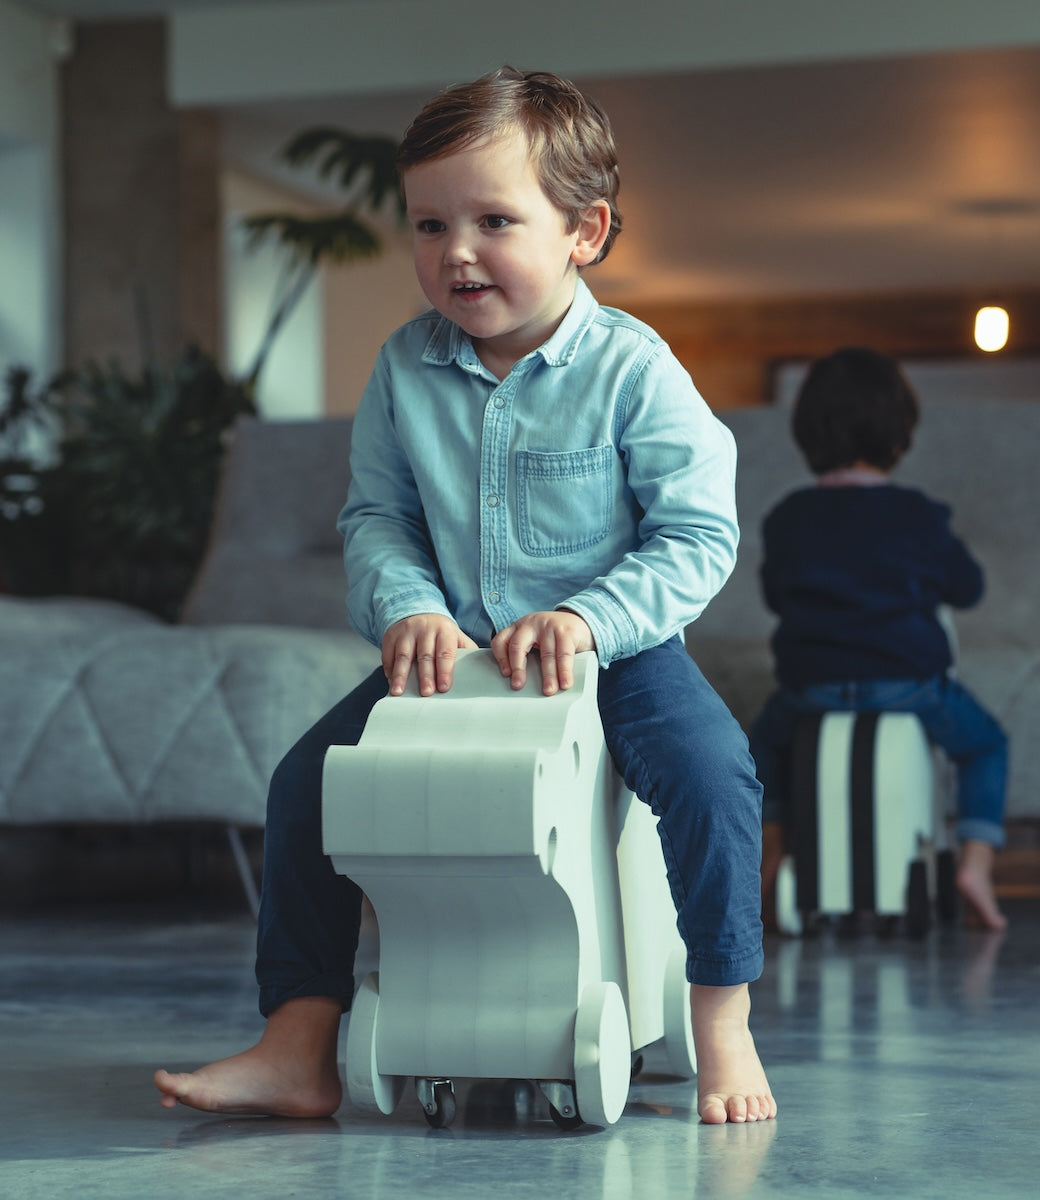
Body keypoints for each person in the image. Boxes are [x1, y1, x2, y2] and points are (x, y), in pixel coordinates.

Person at [154, 66, 775, 1126]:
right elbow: (378, 519)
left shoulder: (633, 368)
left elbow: (698, 533)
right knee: (310, 780)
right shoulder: (404, 369)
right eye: (430, 224)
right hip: (454, 661)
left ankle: (723, 1023)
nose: (457, 251)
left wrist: (590, 617)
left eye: (494, 219)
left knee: (715, 775)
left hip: (615, 658)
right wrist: (408, 609)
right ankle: (300, 1040)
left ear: (586, 230)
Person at [749, 347, 1008, 932]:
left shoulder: (788, 517)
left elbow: (775, 597)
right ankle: (976, 864)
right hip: (907, 687)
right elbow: (967, 588)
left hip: (809, 691)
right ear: (899, 435)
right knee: (987, 744)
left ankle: (775, 855)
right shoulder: (917, 515)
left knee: (758, 751)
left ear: (806, 434)